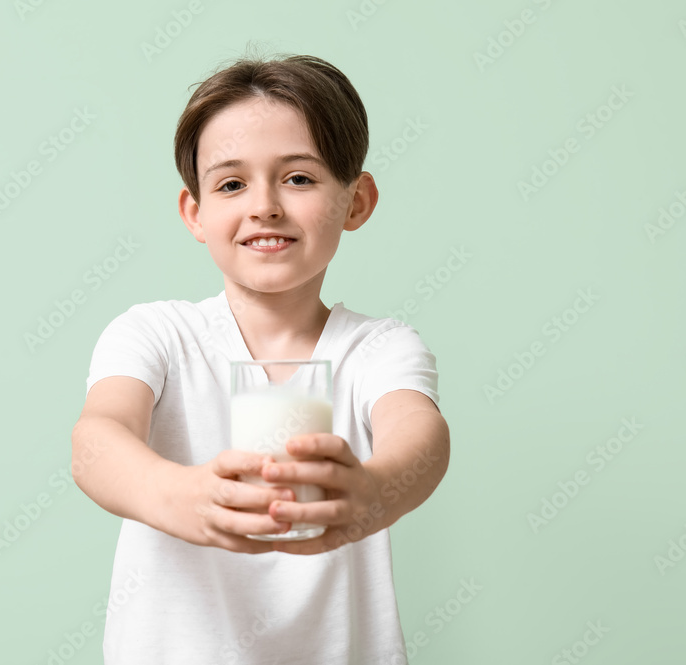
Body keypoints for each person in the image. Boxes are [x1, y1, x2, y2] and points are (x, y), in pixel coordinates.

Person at [72, 51, 450, 664]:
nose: (264, 205)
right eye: (230, 184)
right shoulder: (156, 333)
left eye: (298, 178)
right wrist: (177, 495)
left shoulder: (379, 348)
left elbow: (420, 436)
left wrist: (373, 493)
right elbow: (97, 439)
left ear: (356, 201)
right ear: (195, 212)